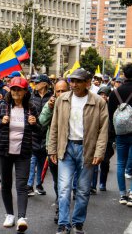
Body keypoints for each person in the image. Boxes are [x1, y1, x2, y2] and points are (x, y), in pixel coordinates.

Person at [48, 69, 108, 234]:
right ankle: (63, 224)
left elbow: (103, 130)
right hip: (66, 149)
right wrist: (52, 148)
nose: (74, 84)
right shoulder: (62, 100)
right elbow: (54, 126)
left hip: (87, 150)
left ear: (87, 83)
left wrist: (99, 152)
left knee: (82, 190)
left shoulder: (98, 102)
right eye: (72, 81)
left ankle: (78, 223)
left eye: (78, 81)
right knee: (64, 188)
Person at [0, 77, 39, 233]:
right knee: (6, 183)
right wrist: (1, 122)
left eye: (19, 89)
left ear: (25, 92)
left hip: (23, 152)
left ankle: (22, 218)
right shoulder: (4, 106)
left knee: (21, 185)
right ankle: (10, 214)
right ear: (10, 91)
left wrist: (34, 123)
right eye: (14, 89)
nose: (16, 92)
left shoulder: (31, 108)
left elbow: (40, 129)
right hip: (4, 151)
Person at [39, 80, 70, 223]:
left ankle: (65, 210)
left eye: (64, 91)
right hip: (53, 150)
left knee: (68, 183)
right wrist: (49, 108)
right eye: (58, 91)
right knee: (59, 182)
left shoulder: (74, 104)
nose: (61, 94)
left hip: (71, 149)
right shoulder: (50, 104)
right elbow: (42, 122)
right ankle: (60, 207)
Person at [108, 63, 132, 206]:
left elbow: (110, 115)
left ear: (124, 75)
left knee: (121, 163)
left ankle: (123, 195)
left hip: (120, 132)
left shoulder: (114, 92)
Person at [27, 74, 53, 196]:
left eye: (37, 83)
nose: (35, 85)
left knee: (42, 161)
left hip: (46, 134)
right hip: (33, 132)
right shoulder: (31, 97)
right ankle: (29, 185)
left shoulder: (53, 97)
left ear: (44, 84)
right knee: (32, 160)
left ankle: (39, 184)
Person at [90, 86, 114, 193]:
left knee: (104, 163)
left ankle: (103, 183)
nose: (103, 96)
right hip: (94, 138)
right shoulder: (93, 105)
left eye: (106, 95)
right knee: (94, 163)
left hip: (107, 139)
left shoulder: (111, 107)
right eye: (101, 94)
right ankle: (93, 186)